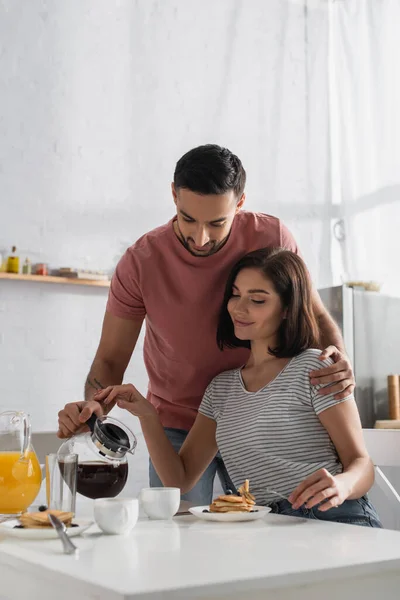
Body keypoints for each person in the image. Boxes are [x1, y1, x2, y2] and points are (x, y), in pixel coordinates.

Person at [57, 144, 355, 505]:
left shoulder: (272, 238)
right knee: (180, 539)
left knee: (261, 533)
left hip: (255, 419)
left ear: (240, 202)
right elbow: (109, 360)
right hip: (178, 422)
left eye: (217, 223)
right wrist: (94, 411)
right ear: (173, 195)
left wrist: (337, 363)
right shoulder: (141, 263)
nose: (200, 238)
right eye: (187, 219)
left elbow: (316, 316)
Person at [93, 248, 381, 527]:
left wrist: (342, 485)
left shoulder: (314, 369)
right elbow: (180, 480)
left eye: (257, 300)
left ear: (286, 309)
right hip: (269, 529)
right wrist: (146, 414)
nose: (239, 308)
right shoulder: (221, 390)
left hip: (336, 518)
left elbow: (361, 463)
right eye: (235, 294)